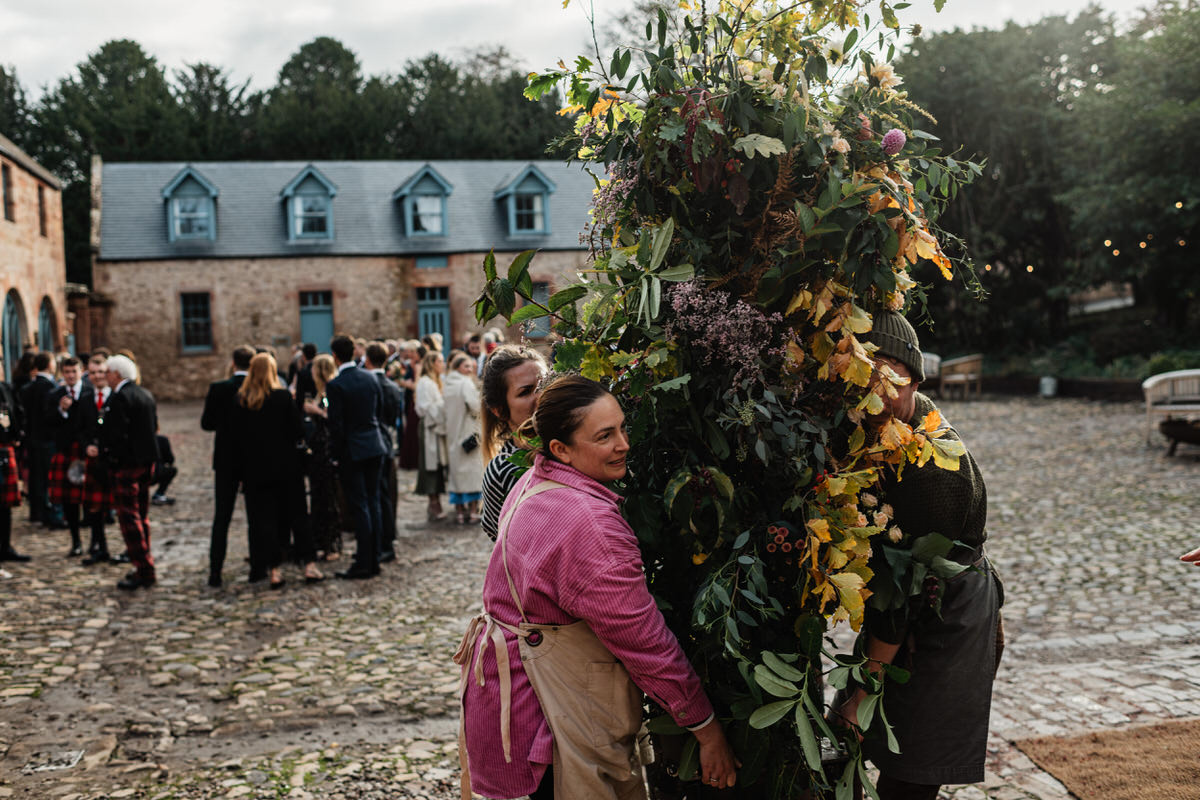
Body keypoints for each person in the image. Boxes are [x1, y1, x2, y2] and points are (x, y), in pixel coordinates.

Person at [456, 375, 738, 798]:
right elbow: (644, 642)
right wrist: (705, 727)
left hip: (517, 700)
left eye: (622, 428)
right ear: (560, 449)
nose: (624, 444)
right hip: (551, 712)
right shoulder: (589, 525)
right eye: (605, 436)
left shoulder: (533, 482)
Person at [830, 311, 1002, 800]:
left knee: (911, 771)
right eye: (869, 373)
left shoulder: (934, 471)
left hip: (949, 608)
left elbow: (902, 593)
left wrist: (863, 691)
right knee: (852, 739)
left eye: (894, 377)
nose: (879, 391)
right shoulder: (884, 422)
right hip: (904, 598)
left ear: (915, 379)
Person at [230, 353, 323, 587]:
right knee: (298, 515)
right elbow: (298, 431)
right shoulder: (282, 397)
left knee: (265, 519)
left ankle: (274, 570)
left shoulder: (243, 400)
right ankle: (309, 565)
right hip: (286, 466)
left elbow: (237, 441)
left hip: (256, 469)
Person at [90, 354, 159, 590]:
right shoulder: (145, 394)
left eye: (107, 372)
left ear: (117, 374)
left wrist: (109, 458)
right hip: (145, 463)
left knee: (130, 519)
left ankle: (144, 569)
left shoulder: (120, 398)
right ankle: (143, 563)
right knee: (141, 515)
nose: (105, 376)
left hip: (127, 465)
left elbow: (117, 436)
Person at [326, 335, 387, 580]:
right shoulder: (371, 378)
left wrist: (336, 456)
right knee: (373, 503)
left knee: (360, 506)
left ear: (335, 356)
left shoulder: (336, 384)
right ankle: (375, 559)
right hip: (374, 444)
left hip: (353, 450)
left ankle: (364, 562)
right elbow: (379, 412)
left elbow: (336, 426)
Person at [479, 345, 548, 540]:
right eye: (526, 392)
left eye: (544, 384)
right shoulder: (502, 472)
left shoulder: (577, 442)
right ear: (499, 410)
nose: (541, 396)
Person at [200, 345, 254, 588]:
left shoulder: (218, 388)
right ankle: (258, 568)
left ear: (233, 363)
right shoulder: (258, 388)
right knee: (255, 515)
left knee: (222, 517)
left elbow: (207, 424)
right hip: (253, 460)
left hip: (226, 459)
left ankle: (215, 571)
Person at [46, 356, 96, 556]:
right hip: (66, 451)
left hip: (85, 452)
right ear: (62, 373)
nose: (70, 376)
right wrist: (61, 410)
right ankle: (76, 542)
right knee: (70, 502)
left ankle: (95, 542)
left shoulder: (90, 392)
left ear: (81, 370)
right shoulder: (55, 395)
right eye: (66, 372)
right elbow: (47, 422)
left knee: (91, 500)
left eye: (74, 372)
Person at [302, 354, 344, 560]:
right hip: (316, 447)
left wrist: (315, 411)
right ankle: (319, 539)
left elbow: (332, 417)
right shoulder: (319, 391)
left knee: (327, 496)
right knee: (317, 496)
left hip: (326, 447)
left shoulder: (331, 390)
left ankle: (331, 543)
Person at [364, 342, 402, 560]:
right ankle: (387, 539)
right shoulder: (392, 386)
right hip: (387, 442)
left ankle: (380, 543)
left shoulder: (369, 384)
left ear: (368, 359)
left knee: (378, 496)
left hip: (373, 445)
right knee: (386, 495)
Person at [20, 351, 61, 527]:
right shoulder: (51, 387)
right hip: (47, 438)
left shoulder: (28, 387)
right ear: (50, 365)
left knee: (35, 477)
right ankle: (48, 513)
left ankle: (35, 512)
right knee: (47, 477)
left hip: (32, 437)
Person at [79, 355, 113, 565]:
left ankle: (130, 550)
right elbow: (79, 429)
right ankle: (99, 545)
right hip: (93, 459)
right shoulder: (84, 399)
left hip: (111, 459)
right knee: (94, 506)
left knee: (119, 506)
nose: (97, 376)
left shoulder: (116, 397)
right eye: (92, 373)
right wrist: (86, 446)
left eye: (101, 372)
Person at [443, 352, 484, 524]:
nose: (469, 369)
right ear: (458, 367)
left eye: (470, 366)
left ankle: (460, 512)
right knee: (472, 474)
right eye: (465, 366)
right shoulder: (465, 383)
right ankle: (473, 511)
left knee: (456, 475)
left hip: (452, 433)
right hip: (468, 432)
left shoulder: (446, 384)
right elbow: (475, 407)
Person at [414, 349, 448, 521]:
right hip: (430, 427)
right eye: (439, 361)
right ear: (432, 363)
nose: (442, 364)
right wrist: (442, 408)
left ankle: (434, 502)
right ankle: (433, 502)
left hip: (437, 426)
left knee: (438, 463)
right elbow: (425, 407)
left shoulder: (436, 381)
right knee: (430, 464)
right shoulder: (425, 383)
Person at [0, 364, 29, 562]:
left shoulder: (6, 388)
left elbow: (17, 411)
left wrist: (17, 433)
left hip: (4, 448)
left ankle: (6, 547)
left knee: (6, 504)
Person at [395, 341, 422, 470]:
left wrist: (402, 382)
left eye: (412, 352)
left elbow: (416, 385)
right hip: (409, 397)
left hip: (415, 398)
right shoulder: (409, 365)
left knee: (413, 428)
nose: (410, 354)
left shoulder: (418, 366)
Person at [150, 431, 177, 505]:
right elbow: (170, 460)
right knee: (172, 470)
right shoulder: (161, 440)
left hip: (134, 475)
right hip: (154, 474)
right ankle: (159, 494)